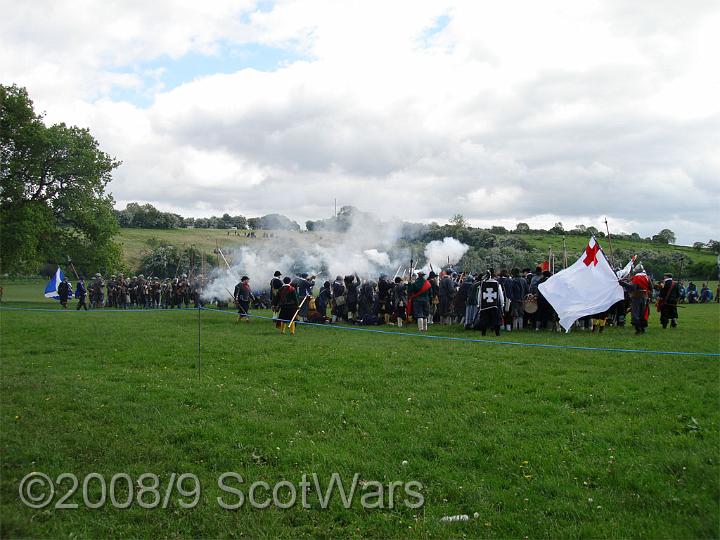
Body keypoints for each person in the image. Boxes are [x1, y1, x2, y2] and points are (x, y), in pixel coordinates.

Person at [620, 265, 652, 334]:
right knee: (642, 313)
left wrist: (622, 283)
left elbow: (633, 287)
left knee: (635, 313)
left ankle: (638, 329)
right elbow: (650, 288)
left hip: (636, 297)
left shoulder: (637, 277)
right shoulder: (647, 277)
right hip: (644, 297)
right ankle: (643, 328)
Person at [476, 270, 505, 336]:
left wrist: (479, 304)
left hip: (484, 306)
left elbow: (479, 295)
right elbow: (501, 295)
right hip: (494, 305)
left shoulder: (482, 284)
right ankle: (497, 334)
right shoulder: (497, 284)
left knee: (484, 320)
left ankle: (483, 333)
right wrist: (502, 303)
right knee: (496, 320)